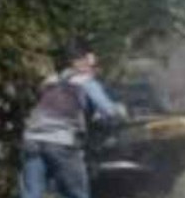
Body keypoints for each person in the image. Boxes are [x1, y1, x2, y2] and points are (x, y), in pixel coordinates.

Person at [20, 41, 126, 198]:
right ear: (84, 59)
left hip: (31, 139)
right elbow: (109, 112)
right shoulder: (85, 82)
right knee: (77, 193)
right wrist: (122, 111)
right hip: (61, 141)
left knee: (31, 194)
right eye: (91, 59)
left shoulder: (51, 81)